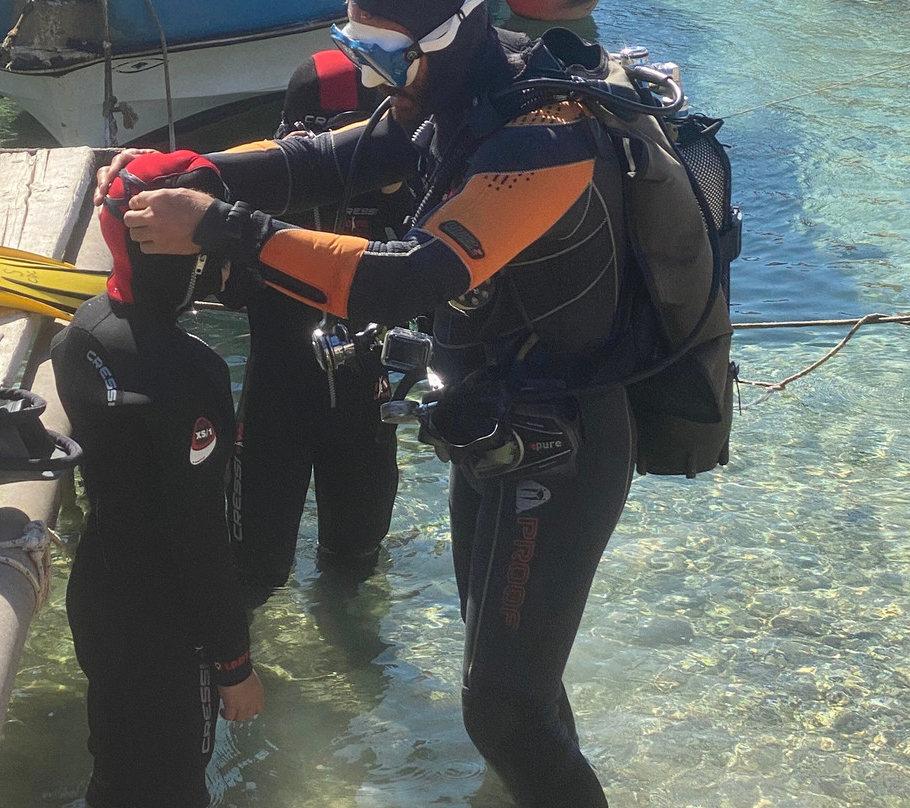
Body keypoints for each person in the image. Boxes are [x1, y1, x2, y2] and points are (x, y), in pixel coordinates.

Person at [95, 2, 641, 804]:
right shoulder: (457, 99)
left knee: (500, 707)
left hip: (567, 443)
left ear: (447, 41)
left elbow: (410, 276)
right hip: (489, 426)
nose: (375, 79)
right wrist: (196, 169)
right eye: (357, 52)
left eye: (387, 58)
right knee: (511, 681)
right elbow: (327, 159)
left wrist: (223, 227)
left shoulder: (549, 131)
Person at [51, 152, 264, 808]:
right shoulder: (190, 373)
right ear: (188, 253)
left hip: (101, 598)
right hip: (167, 629)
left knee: (115, 769)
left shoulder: (82, 331)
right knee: (174, 784)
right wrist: (234, 665)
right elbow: (199, 536)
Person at [222, 50, 409, 593]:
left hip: (361, 401)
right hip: (278, 401)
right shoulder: (256, 183)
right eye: (321, 144)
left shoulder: (406, 187)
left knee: (355, 564)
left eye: (353, 144)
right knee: (254, 575)